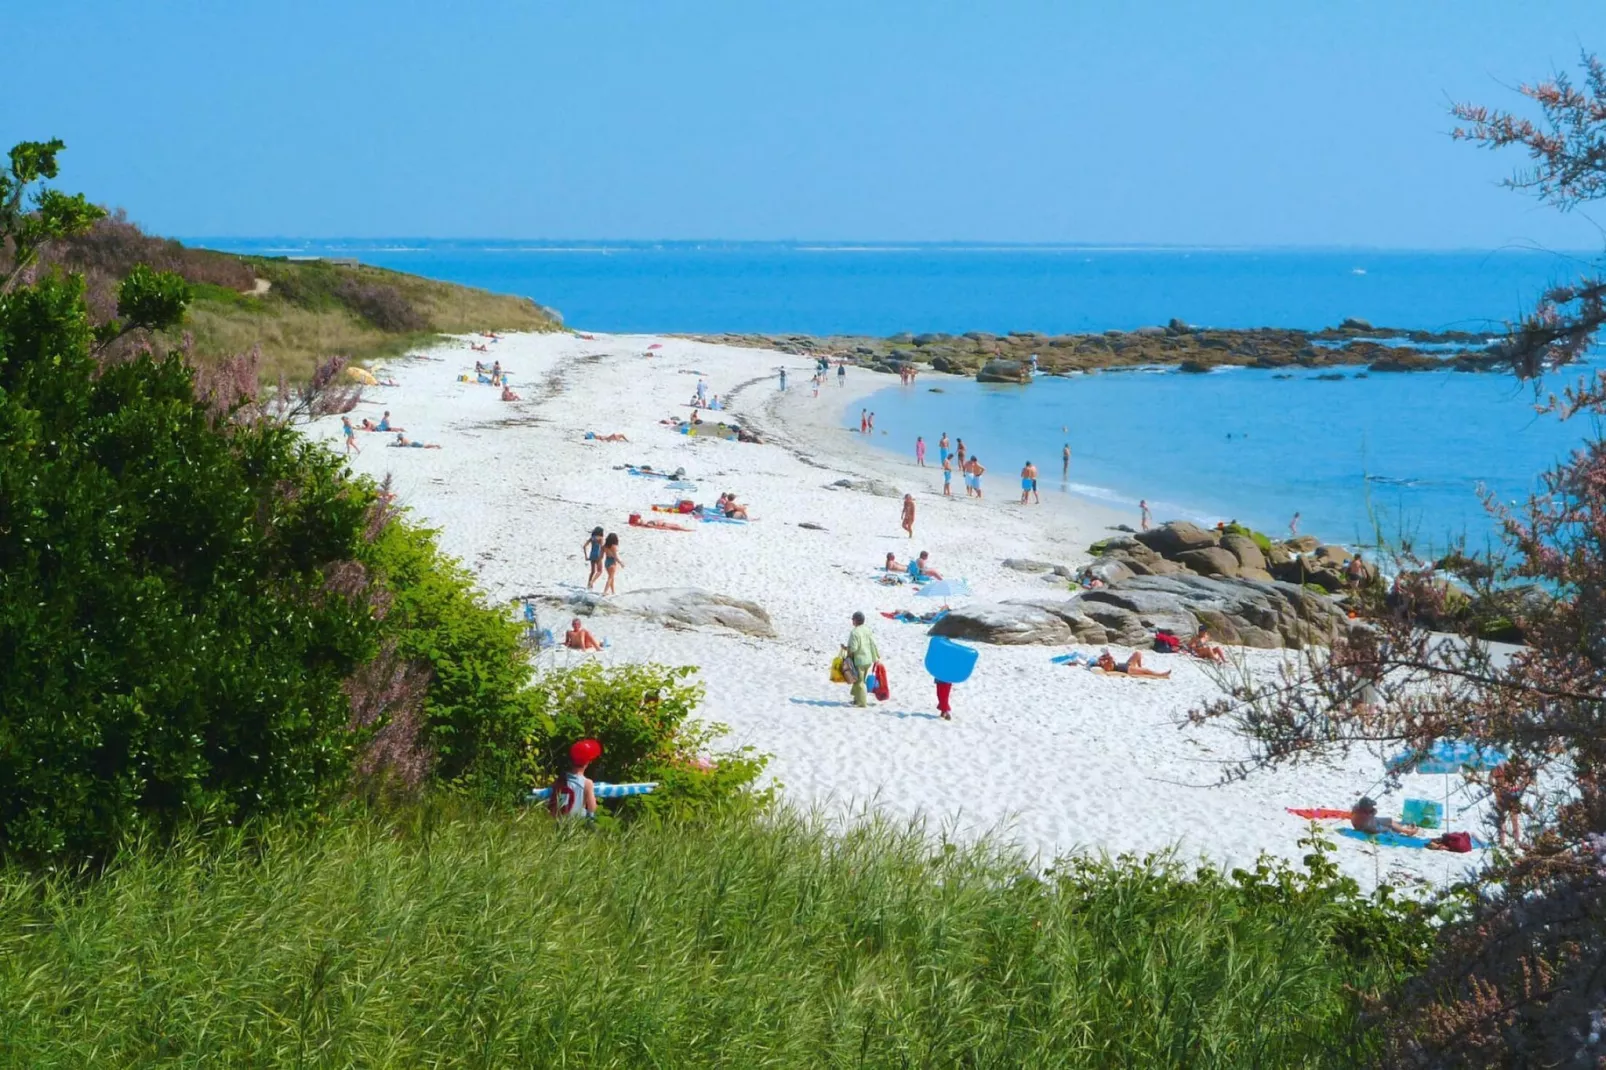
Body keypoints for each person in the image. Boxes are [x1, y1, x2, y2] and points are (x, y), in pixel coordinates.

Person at [549, 738, 600, 819]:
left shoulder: (560, 780)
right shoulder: (587, 783)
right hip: (576, 824)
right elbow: (592, 808)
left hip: (560, 821)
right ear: (587, 762)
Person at [846, 611, 880, 708]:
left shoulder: (854, 632)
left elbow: (854, 648)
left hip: (859, 660)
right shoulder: (867, 630)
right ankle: (857, 700)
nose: (852, 621)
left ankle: (862, 703)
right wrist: (875, 658)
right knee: (859, 680)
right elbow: (873, 644)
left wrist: (847, 651)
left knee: (860, 682)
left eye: (853, 619)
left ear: (856, 620)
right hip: (868, 659)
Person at [1350, 796, 1417, 836]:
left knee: (1389, 820)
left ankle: (1405, 828)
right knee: (1388, 828)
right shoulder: (1363, 817)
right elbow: (1371, 820)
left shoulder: (1357, 808)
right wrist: (1373, 812)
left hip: (1370, 822)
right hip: (1368, 826)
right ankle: (1408, 831)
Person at [1095, 649, 1171, 679]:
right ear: (1099, 664)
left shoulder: (1106, 662)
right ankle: (1161, 674)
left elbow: (1110, 658)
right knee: (1147, 670)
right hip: (1128, 669)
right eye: (1099, 662)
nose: (1100, 661)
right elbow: (1111, 658)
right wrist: (1104, 657)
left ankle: (1141, 669)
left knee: (1137, 653)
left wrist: (1103, 657)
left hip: (1127, 665)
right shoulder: (1106, 667)